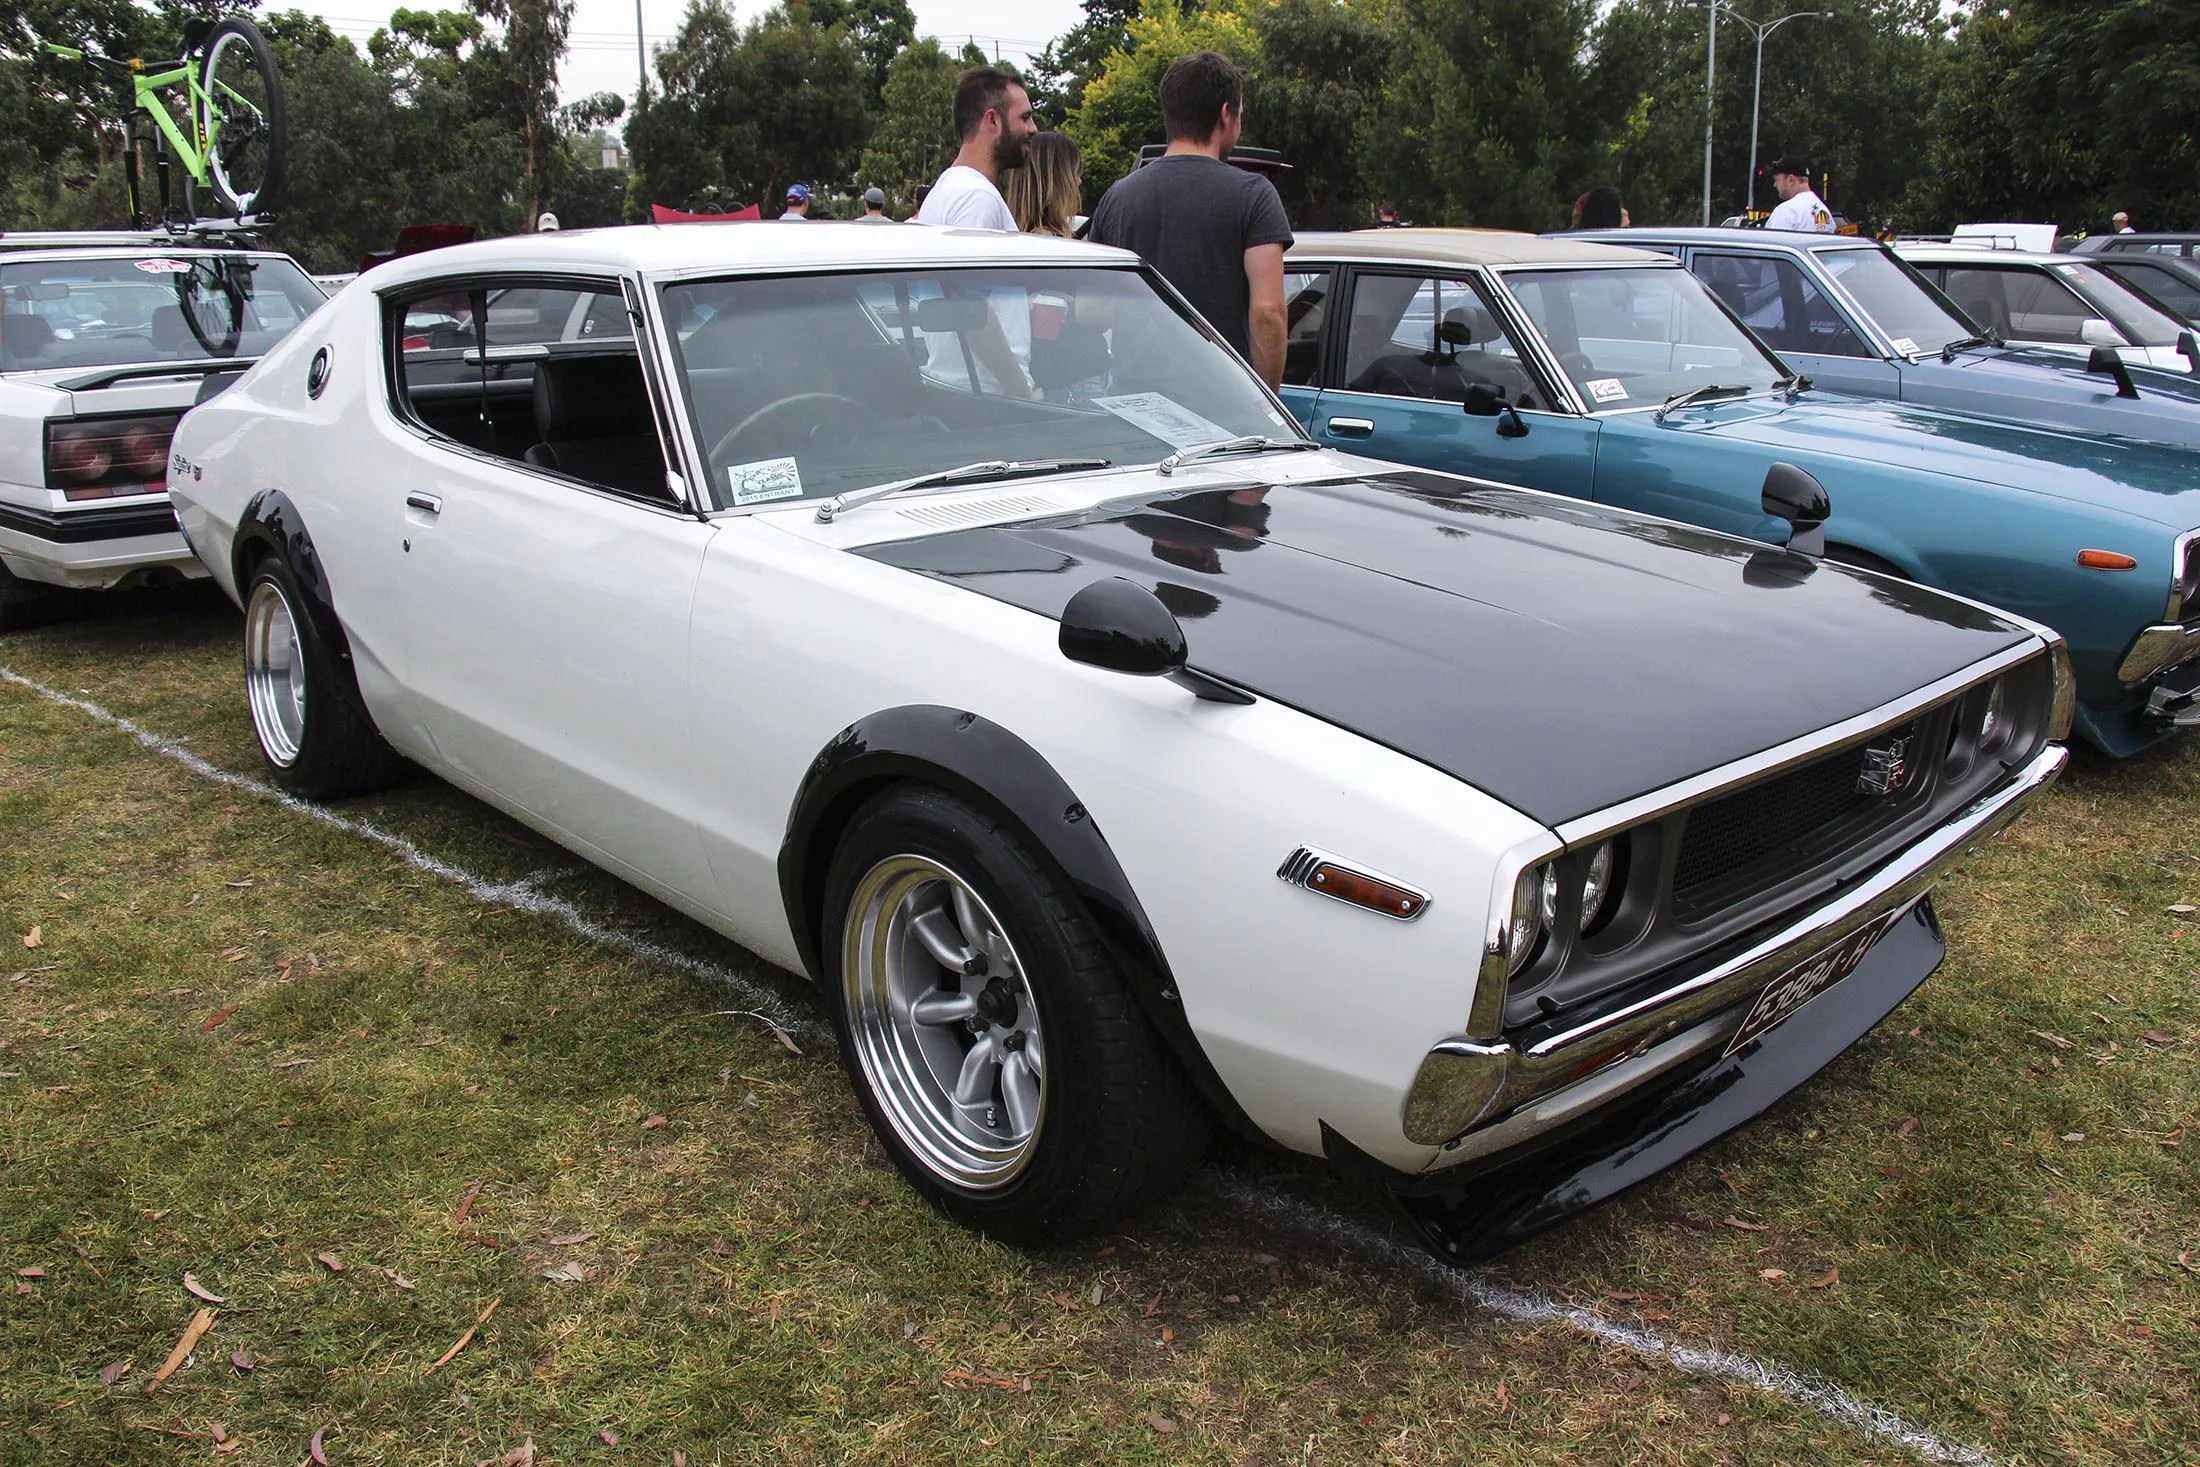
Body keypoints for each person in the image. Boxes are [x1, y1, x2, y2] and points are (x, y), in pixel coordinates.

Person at [1085, 50, 1293, 387]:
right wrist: (1266, 404)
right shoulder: (1255, 194)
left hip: (1135, 402)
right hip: (1223, 404)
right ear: (1226, 114)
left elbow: (1089, 310)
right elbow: (1268, 314)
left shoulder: (1117, 197)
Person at [915, 66, 1037, 230]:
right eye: (1025, 117)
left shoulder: (946, 190)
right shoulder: (977, 197)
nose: (1033, 128)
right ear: (993, 120)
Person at [1003, 131, 1083, 238]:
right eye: (1074, 173)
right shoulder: (1048, 244)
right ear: (1055, 183)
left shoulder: (1009, 238)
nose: (1078, 181)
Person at [1765, 156, 1833, 232]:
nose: (1774, 185)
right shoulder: (1824, 211)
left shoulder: (1787, 211)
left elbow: (1774, 242)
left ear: (1791, 180)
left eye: (1776, 180)